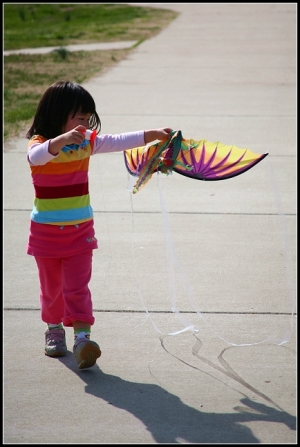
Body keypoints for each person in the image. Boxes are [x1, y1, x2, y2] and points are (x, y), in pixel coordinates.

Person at [26, 80, 173, 370]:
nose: (84, 123)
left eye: (87, 117)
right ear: (57, 114)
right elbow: (36, 157)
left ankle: (83, 340)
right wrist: (60, 140)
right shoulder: (41, 144)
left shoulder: (86, 143)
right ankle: (54, 330)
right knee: (52, 288)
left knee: (78, 287)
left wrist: (151, 135)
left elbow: (117, 140)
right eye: (78, 117)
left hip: (81, 231)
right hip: (45, 235)